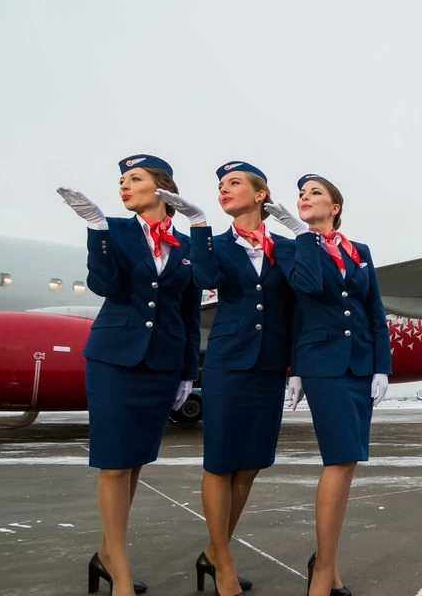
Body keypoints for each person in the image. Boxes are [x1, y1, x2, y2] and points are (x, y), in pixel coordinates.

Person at [57, 154, 201, 596]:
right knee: (115, 464)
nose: (123, 186)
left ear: (161, 188)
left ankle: (105, 557)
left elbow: (189, 312)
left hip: (161, 364)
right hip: (115, 360)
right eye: (121, 180)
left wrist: (187, 373)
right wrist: (96, 229)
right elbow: (103, 285)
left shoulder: (186, 245)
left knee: (136, 462)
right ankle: (119, 574)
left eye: (134, 178)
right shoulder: (114, 231)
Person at [157, 161, 301, 596]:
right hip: (227, 365)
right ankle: (223, 562)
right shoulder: (215, 245)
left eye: (234, 183)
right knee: (220, 465)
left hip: (269, 368)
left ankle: (213, 550)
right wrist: (198, 225)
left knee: (251, 466)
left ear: (261, 195)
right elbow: (206, 278)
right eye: (220, 185)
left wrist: (296, 366)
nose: (224, 189)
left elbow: (300, 305)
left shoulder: (288, 249)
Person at [267, 174, 391, 596]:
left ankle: (329, 566)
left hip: (359, 366)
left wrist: (382, 366)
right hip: (323, 363)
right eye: (301, 194)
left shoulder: (362, 252)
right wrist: (304, 236)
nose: (304, 197)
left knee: (349, 462)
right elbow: (306, 290)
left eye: (315, 193)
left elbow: (374, 309)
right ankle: (321, 571)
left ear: (335, 207)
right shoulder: (290, 247)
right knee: (338, 460)